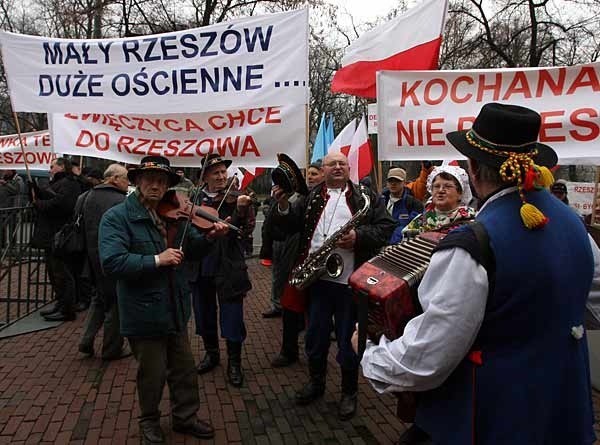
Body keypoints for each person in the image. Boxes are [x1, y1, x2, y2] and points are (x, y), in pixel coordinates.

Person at [355, 103, 598, 445]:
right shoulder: (575, 224)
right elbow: (590, 304)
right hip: (563, 412)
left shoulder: (471, 243)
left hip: (491, 417)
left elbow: (428, 357)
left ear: (472, 169)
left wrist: (369, 353)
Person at [99, 156, 227, 444]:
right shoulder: (117, 217)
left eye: (162, 180)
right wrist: (156, 260)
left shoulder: (175, 214)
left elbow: (190, 249)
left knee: (183, 370)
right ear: (137, 181)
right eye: (150, 179)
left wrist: (209, 239)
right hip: (143, 310)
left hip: (176, 306)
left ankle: (185, 417)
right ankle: (149, 421)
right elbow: (112, 262)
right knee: (152, 374)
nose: (156, 185)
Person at [272, 151, 396, 420]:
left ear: (349, 168)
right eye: (332, 164)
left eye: (342, 163)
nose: (337, 167)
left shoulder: (366, 198)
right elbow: (289, 227)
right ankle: (316, 383)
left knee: (346, 340)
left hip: (350, 284)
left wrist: (359, 236)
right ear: (323, 169)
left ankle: (348, 392)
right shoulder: (312, 196)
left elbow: (387, 225)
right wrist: (282, 207)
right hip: (318, 281)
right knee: (315, 336)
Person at [192, 154, 255, 387]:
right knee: (203, 312)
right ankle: (211, 353)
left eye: (223, 172)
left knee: (232, 315)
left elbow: (244, 232)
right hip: (201, 265)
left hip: (228, 266)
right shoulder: (195, 198)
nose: (220, 176)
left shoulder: (239, 198)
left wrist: (239, 211)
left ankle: (234, 362)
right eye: (215, 173)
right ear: (205, 176)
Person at [78, 164, 131, 360]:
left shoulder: (87, 196)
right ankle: (112, 348)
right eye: (126, 178)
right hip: (113, 259)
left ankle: (86, 339)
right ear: (115, 179)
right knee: (115, 305)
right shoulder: (120, 201)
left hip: (91, 259)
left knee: (98, 300)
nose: (128, 183)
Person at [32, 158, 82, 322]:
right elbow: (51, 197)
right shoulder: (60, 183)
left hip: (60, 236)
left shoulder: (70, 183)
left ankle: (67, 309)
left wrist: (39, 204)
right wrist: (35, 190)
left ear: (61, 167)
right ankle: (60, 304)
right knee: (54, 274)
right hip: (52, 235)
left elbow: (61, 204)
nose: (50, 169)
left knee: (62, 274)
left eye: (52, 166)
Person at [402, 165, 476, 240]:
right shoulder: (420, 221)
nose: (441, 190)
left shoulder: (473, 221)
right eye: (437, 186)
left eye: (448, 186)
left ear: (460, 193)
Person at [380, 167, 424, 243]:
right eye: (390, 181)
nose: (393, 183)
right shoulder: (380, 201)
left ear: (404, 183)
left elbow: (414, 228)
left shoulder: (414, 204)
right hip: (380, 247)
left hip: (401, 248)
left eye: (397, 181)